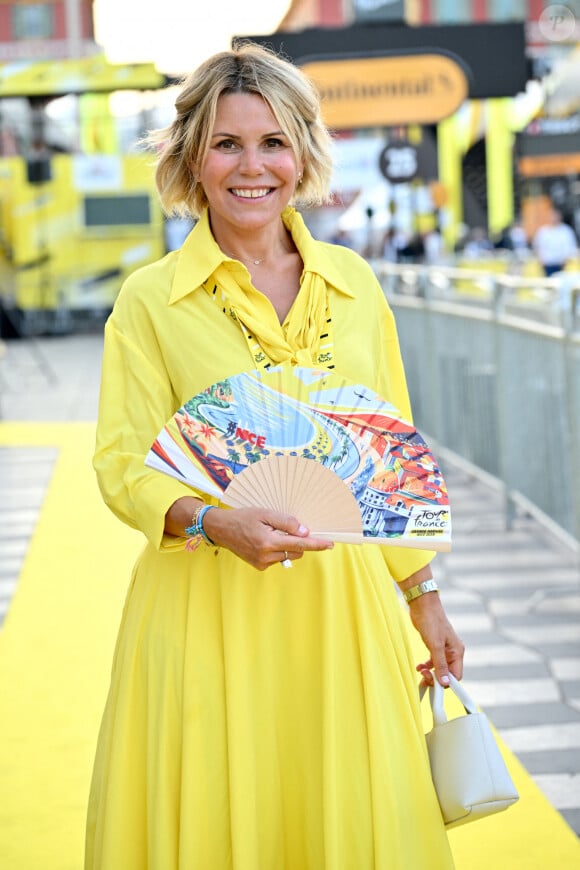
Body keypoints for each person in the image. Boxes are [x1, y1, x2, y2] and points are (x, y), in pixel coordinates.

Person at [85, 43, 464, 869]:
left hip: (344, 609)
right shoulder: (150, 301)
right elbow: (123, 464)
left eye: (273, 142)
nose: (251, 166)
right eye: (226, 143)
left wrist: (424, 595)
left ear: (302, 154)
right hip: (204, 611)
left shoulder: (358, 286)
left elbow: (388, 462)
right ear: (192, 158)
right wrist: (215, 521)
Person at [533, 206, 578, 276]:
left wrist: (566, 260)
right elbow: (537, 247)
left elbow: (571, 247)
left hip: (562, 265)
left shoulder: (566, 231)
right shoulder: (543, 231)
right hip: (547, 264)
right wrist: (541, 260)